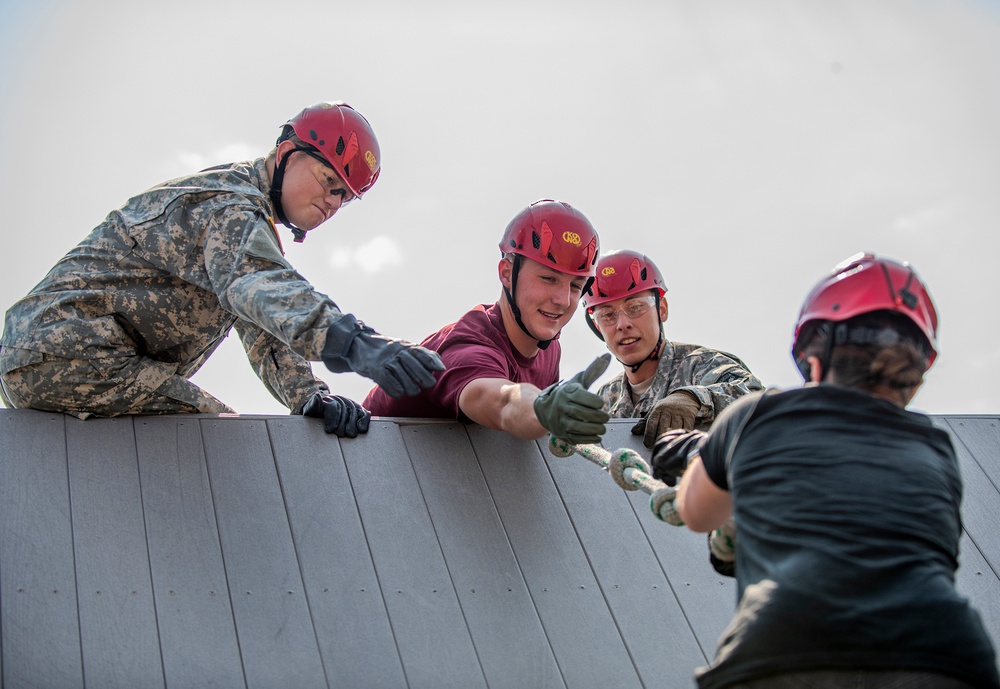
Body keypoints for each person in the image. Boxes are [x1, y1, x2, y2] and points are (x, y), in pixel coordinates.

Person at [652, 252, 999, 689]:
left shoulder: (755, 416)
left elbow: (700, 513)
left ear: (813, 352)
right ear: (916, 369)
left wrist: (696, 451)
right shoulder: (936, 448)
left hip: (786, 651)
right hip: (947, 656)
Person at [0, 101, 444, 438]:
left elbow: (261, 317)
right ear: (288, 152)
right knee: (222, 442)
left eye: (343, 198)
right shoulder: (230, 205)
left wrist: (309, 395)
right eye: (329, 183)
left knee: (218, 442)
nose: (332, 202)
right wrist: (358, 345)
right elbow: (259, 286)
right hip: (67, 351)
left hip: (65, 357)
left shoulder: (246, 226)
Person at [363, 199, 610, 445]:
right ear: (506, 273)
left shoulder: (549, 350)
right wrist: (542, 410)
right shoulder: (468, 347)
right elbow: (502, 402)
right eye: (548, 278)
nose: (563, 300)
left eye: (576, 286)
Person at [582, 249, 763, 448]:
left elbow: (758, 397)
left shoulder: (701, 365)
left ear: (661, 309)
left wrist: (693, 398)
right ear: (598, 327)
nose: (622, 324)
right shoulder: (605, 400)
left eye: (635, 307)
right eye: (607, 315)